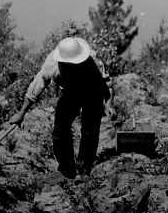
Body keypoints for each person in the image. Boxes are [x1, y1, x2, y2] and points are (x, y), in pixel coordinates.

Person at [9, 36, 111, 179]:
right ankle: (67, 168)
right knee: (60, 130)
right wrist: (21, 113)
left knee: (90, 130)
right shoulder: (52, 64)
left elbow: (103, 85)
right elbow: (37, 87)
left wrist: (108, 104)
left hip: (92, 91)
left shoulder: (91, 62)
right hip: (70, 92)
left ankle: (85, 168)